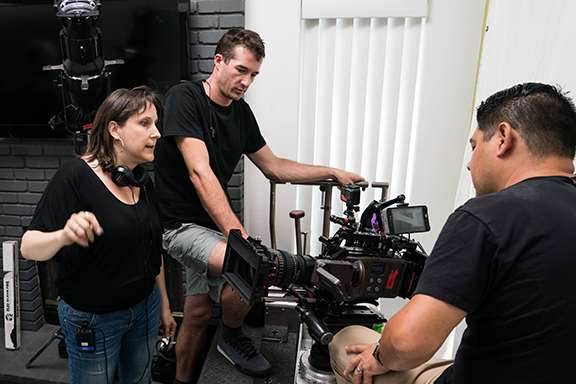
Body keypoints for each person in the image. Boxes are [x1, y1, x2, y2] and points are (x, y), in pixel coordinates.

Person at [153, 28, 364, 382]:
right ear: (218, 61)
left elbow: (274, 166)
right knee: (250, 266)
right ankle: (232, 337)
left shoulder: (241, 114)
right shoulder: (185, 97)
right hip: (181, 226)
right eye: (241, 70)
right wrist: (241, 239)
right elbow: (199, 171)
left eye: (253, 75)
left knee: (199, 312)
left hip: (210, 228)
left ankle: (183, 379)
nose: (247, 81)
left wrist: (332, 172)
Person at [329, 82, 576, 384]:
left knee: (347, 342)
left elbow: (407, 343)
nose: (471, 165)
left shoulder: (485, 215)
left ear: (502, 137)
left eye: (475, 147)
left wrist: (379, 355)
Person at [21, 86, 177, 384]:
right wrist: (63, 236)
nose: (156, 133)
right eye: (145, 123)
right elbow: (28, 248)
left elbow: (151, 250)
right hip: (94, 319)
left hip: (146, 308)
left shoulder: (141, 181)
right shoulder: (74, 176)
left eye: (156, 124)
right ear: (115, 129)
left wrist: (165, 307)